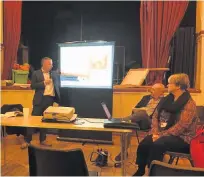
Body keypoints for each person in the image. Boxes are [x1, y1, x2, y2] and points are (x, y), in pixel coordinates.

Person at [133, 73, 198, 176]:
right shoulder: (167, 99)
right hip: (161, 133)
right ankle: (140, 170)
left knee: (158, 144)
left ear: (178, 86)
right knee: (145, 142)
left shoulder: (189, 104)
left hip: (182, 138)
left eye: (169, 83)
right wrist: (155, 132)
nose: (167, 86)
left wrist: (160, 135)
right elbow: (155, 116)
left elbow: (181, 126)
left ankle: (153, 172)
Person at [115, 83, 165, 161]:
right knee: (128, 126)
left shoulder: (164, 100)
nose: (151, 91)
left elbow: (163, 116)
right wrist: (138, 110)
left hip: (152, 123)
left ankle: (119, 121)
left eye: (154, 90)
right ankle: (123, 152)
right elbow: (135, 109)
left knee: (142, 113)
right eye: (151, 88)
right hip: (140, 121)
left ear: (161, 92)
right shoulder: (146, 97)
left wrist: (143, 112)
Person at [21, 57, 60, 149]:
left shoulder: (53, 73)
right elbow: (32, 86)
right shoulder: (36, 73)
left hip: (50, 100)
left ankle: (43, 140)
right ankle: (27, 141)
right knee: (33, 121)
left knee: (45, 121)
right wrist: (43, 83)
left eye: (52, 64)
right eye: (50, 64)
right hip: (39, 100)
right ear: (44, 64)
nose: (52, 65)